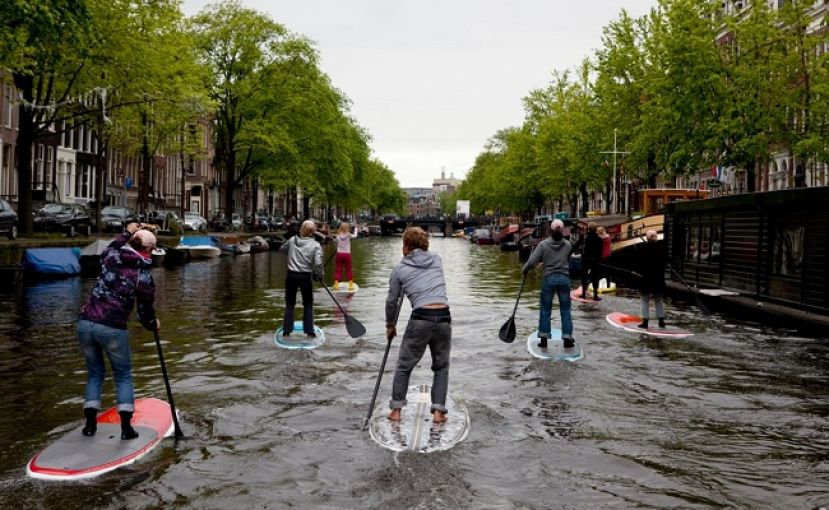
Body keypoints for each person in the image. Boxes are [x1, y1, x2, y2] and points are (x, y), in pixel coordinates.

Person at [77, 221, 159, 440]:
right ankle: (126, 429)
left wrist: (128, 230)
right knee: (122, 375)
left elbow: (114, 244)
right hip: (112, 328)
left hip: (85, 323)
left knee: (95, 373)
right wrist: (153, 324)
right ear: (149, 250)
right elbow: (144, 312)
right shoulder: (143, 276)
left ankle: (90, 425)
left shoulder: (110, 256)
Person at [386, 227, 451, 424]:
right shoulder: (437, 260)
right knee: (441, 367)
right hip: (443, 317)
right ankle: (439, 413)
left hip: (421, 318)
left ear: (406, 246)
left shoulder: (399, 269)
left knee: (404, 366)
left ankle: (396, 411)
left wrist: (390, 325)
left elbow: (392, 301)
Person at [522, 219, 575, 349]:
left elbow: (532, 261)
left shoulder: (543, 245)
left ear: (550, 230)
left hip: (549, 278)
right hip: (564, 279)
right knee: (565, 309)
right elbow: (566, 261)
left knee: (545, 309)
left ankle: (544, 338)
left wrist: (525, 270)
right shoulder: (568, 245)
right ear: (562, 231)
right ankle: (567, 338)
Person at [279, 220, 323, 337]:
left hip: (291, 275)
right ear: (313, 232)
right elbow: (318, 264)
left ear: (302, 229)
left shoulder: (292, 240)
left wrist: (291, 256)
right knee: (308, 304)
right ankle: (309, 331)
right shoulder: (315, 245)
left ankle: (286, 331)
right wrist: (319, 275)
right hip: (305, 276)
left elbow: (282, 249)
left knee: (290, 303)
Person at [637, 229, 666, 329]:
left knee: (645, 300)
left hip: (646, 278)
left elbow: (639, 264)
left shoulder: (643, 249)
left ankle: (645, 322)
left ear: (647, 238)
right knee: (658, 300)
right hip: (658, 278)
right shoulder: (661, 249)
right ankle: (661, 321)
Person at [577, 222, 603, 301]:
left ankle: (583, 295)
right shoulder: (599, 239)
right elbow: (600, 251)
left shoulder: (586, 238)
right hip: (595, 260)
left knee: (584, 277)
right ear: (595, 229)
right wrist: (598, 260)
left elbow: (583, 249)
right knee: (595, 277)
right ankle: (595, 296)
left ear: (588, 229)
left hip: (586, 260)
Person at [333, 222, 359, 291]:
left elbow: (336, 242)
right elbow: (355, 236)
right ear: (347, 228)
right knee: (349, 269)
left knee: (338, 269)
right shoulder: (348, 234)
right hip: (347, 254)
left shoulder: (337, 235)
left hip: (339, 254)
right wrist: (356, 228)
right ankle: (350, 285)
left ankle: (336, 285)